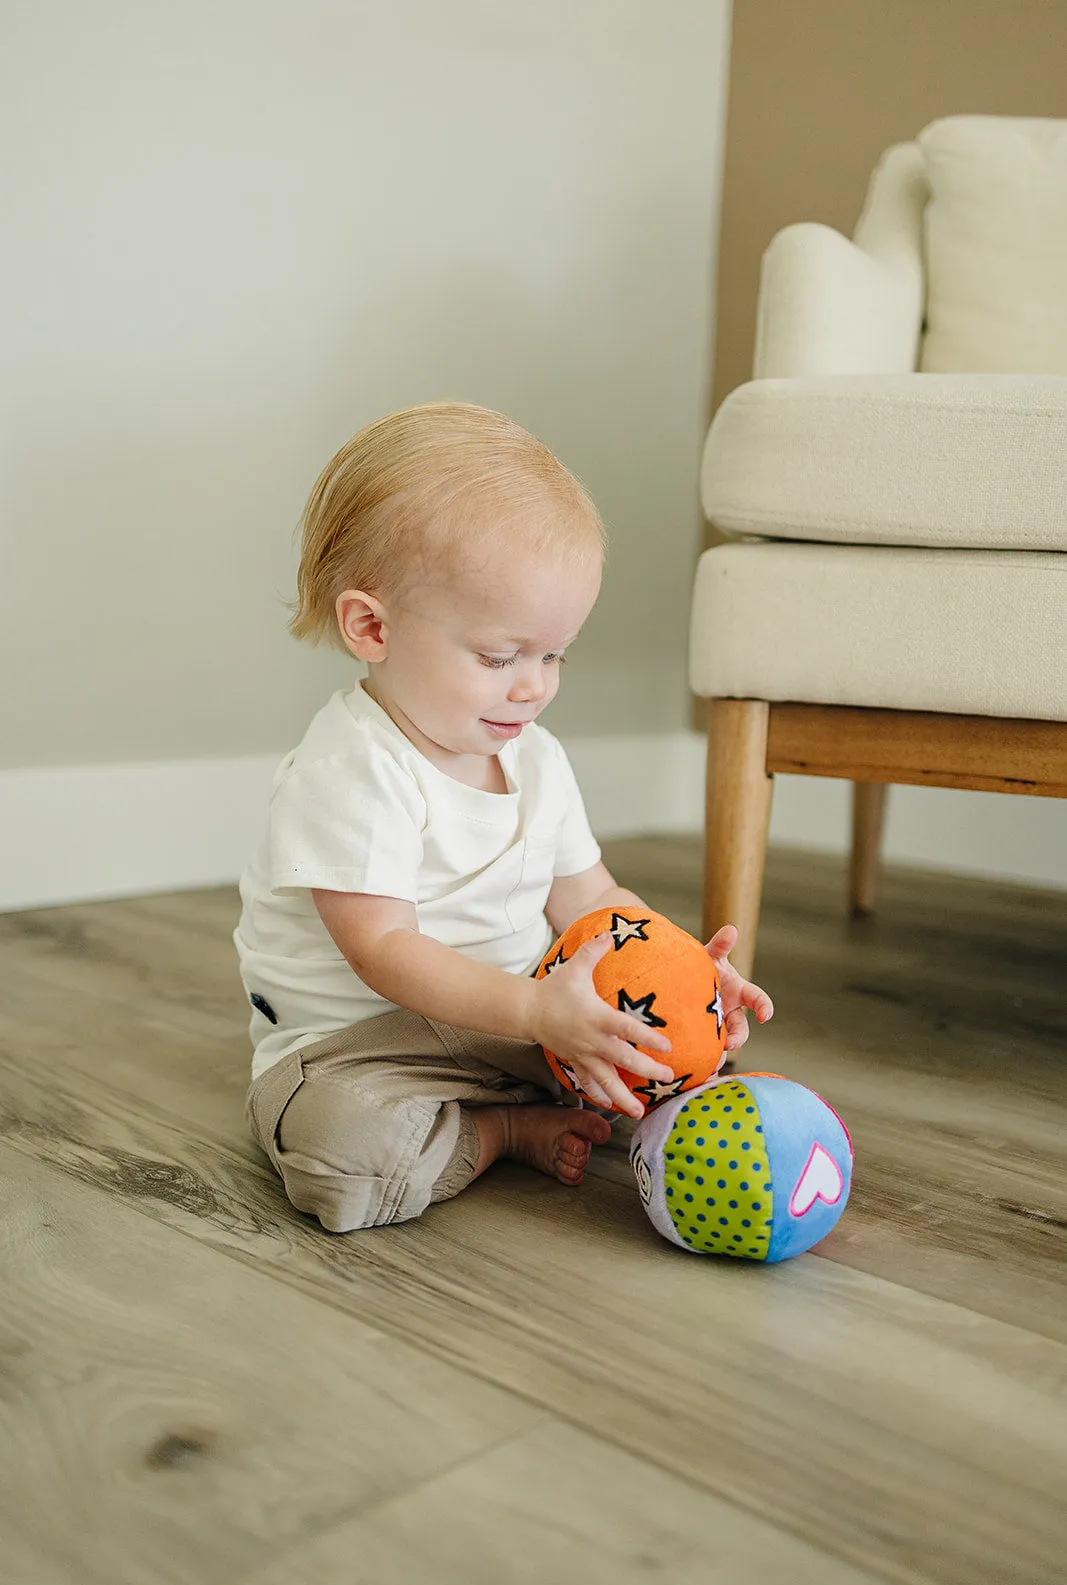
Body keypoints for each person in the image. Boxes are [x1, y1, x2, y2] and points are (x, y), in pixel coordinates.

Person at [234, 401, 773, 1232]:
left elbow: (592, 900)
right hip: (370, 1047)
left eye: (554, 653)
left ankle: (564, 1096)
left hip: (521, 1024)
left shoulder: (535, 759)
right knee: (345, 1160)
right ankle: (500, 1131)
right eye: (499, 657)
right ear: (371, 626)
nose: (535, 686)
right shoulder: (351, 769)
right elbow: (382, 952)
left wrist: (689, 980)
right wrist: (534, 1015)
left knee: (669, 1049)